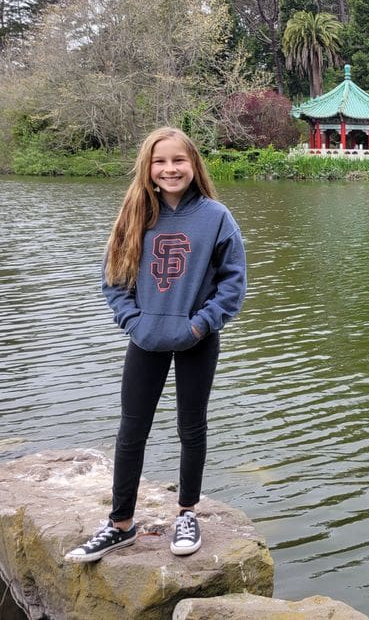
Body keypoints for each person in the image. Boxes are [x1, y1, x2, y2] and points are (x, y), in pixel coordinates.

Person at [65, 127, 247, 563]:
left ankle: (187, 512)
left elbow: (232, 284)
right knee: (132, 431)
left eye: (178, 161)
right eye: (160, 161)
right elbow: (114, 280)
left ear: (194, 165)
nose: (169, 169)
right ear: (148, 168)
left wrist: (200, 326)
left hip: (196, 339)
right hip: (145, 340)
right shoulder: (133, 214)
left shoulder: (216, 217)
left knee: (192, 427)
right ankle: (120, 525)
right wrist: (134, 322)